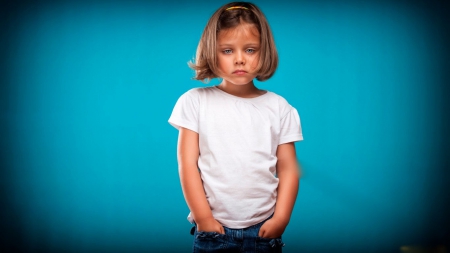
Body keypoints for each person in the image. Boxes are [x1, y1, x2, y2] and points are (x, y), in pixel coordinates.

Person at [168, 2, 303, 252]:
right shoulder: (195, 101)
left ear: (264, 52)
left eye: (250, 49)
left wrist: (281, 219)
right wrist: (204, 219)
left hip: (263, 229)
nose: (240, 59)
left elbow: (289, 170)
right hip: (214, 230)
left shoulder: (280, 107)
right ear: (211, 52)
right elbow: (187, 165)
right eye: (227, 50)